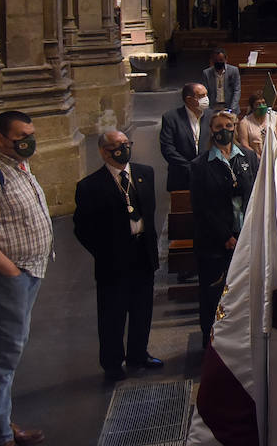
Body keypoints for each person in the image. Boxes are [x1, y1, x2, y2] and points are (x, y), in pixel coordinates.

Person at [0, 111, 52, 446]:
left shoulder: (17, 165)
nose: (29, 140)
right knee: (0, 356)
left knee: (7, 353)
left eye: (31, 133)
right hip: (6, 279)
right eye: (22, 135)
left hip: (27, 273)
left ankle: (0, 421)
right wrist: (11, 272)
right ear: (0, 139)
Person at [73, 131, 162, 382]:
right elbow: (82, 228)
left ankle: (138, 354)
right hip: (112, 260)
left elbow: (149, 213)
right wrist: (104, 252)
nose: (123, 150)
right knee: (113, 313)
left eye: (126, 144)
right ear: (104, 152)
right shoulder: (90, 186)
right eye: (116, 147)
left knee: (142, 308)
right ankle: (112, 363)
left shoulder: (145, 173)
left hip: (142, 252)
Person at [190, 111, 258, 346]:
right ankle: (211, 341)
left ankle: (242, 340)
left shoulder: (249, 157)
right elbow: (202, 207)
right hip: (215, 241)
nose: (224, 130)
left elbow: (254, 196)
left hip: (245, 237)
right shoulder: (200, 165)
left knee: (244, 293)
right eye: (219, 126)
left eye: (229, 125)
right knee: (214, 294)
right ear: (211, 130)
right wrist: (225, 236)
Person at [236, 91, 277, 157]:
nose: (261, 106)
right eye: (258, 104)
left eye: (263, 103)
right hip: (255, 158)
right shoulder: (244, 122)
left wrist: (272, 154)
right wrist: (257, 157)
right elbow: (244, 144)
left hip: (274, 156)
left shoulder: (275, 117)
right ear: (252, 107)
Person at [202, 48, 241, 114]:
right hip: (213, 107)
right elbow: (205, 92)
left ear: (225, 60)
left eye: (221, 60)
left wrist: (232, 108)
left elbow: (237, 90)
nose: (218, 62)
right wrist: (207, 108)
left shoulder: (233, 71)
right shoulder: (206, 73)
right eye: (216, 60)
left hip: (229, 106)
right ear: (212, 61)